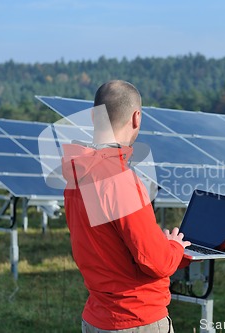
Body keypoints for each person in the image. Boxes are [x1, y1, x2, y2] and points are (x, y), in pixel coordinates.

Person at [62, 80, 191, 332]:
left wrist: (161, 244)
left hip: (97, 316)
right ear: (136, 117)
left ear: (93, 116)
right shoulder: (117, 179)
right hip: (135, 318)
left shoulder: (78, 173)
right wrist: (174, 247)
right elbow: (156, 262)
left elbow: (111, 244)